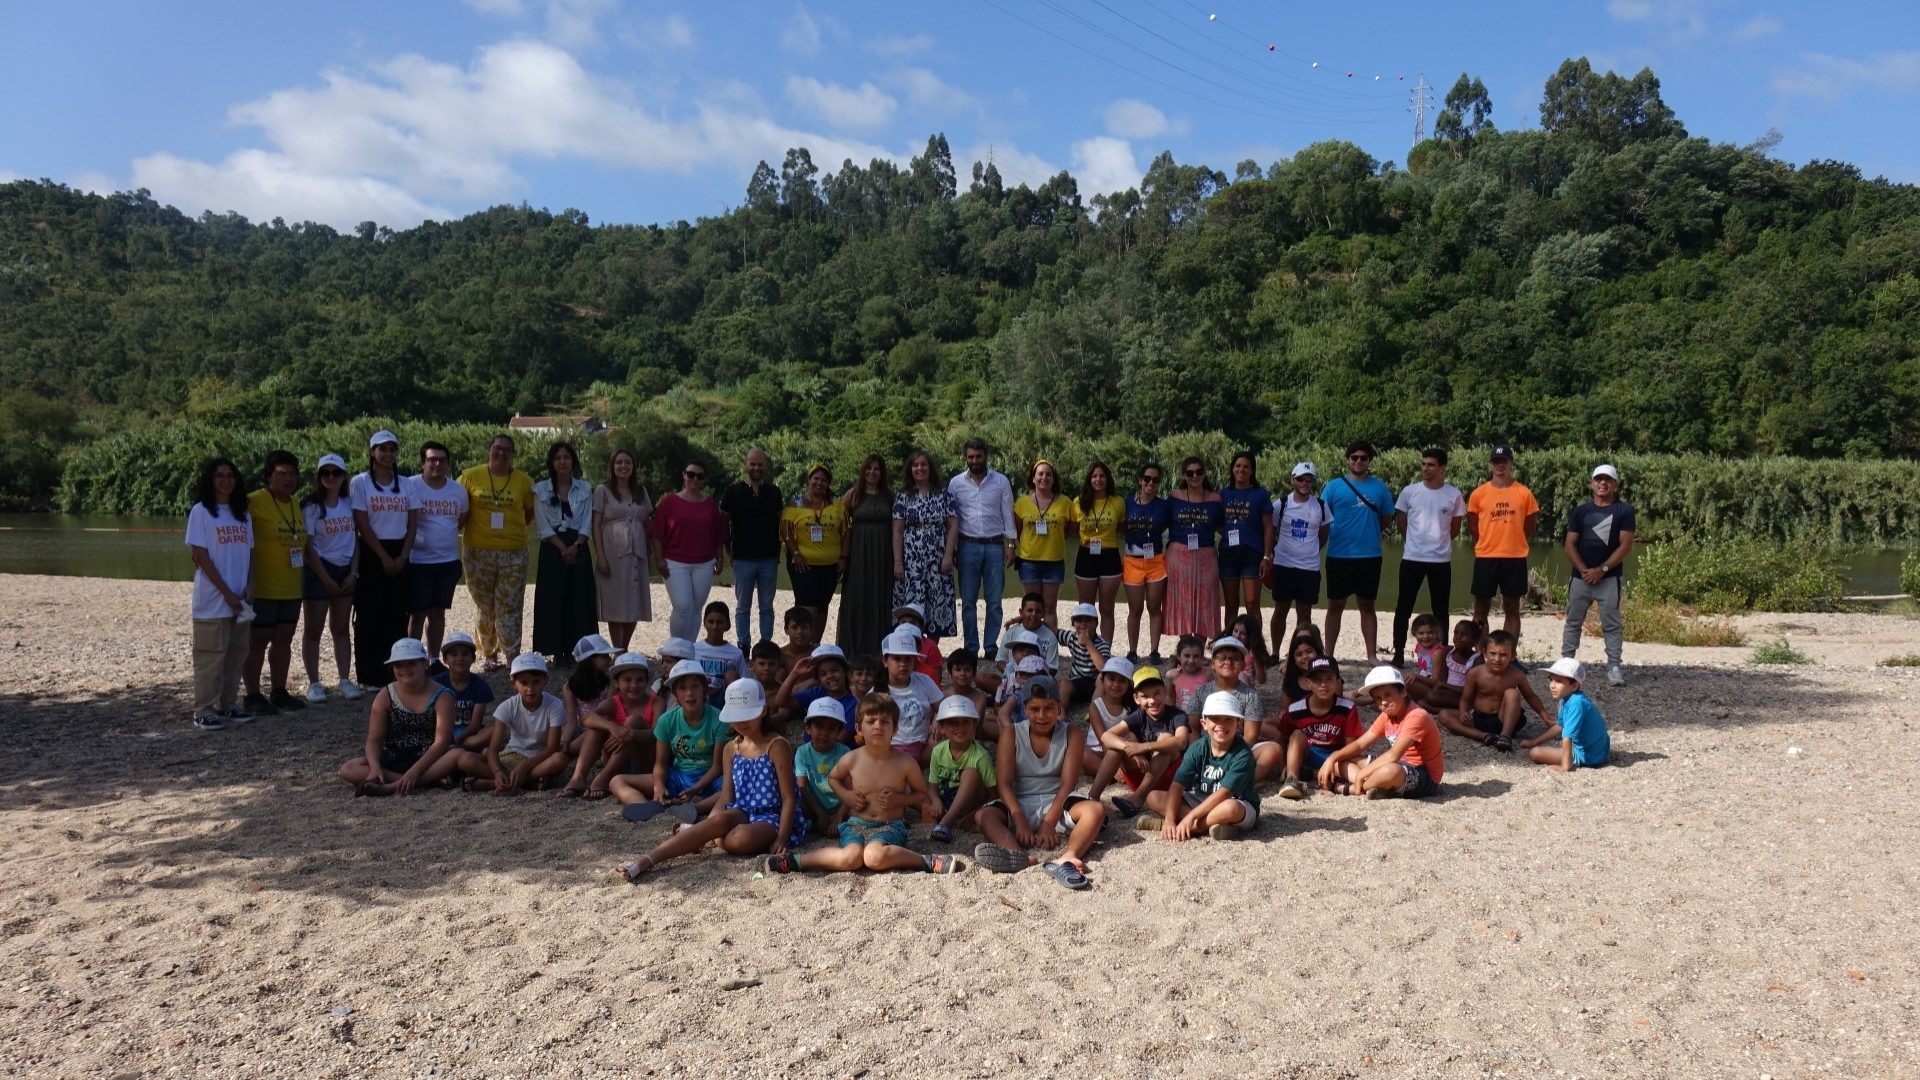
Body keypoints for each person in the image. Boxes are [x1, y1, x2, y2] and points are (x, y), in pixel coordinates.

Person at [616, 679, 802, 881]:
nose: (741, 723)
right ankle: (647, 859)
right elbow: (726, 796)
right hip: (741, 810)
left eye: (748, 715)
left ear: (763, 711)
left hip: (773, 814)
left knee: (738, 839)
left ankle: (705, 837)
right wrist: (714, 821)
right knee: (719, 822)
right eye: (735, 717)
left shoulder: (776, 745)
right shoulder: (732, 747)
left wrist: (782, 837)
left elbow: (789, 798)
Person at [760, 695, 958, 876]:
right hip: (856, 825)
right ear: (858, 729)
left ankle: (926, 861)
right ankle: (796, 861)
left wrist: (900, 799)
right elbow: (833, 778)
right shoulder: (851, 758)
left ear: (895, 729)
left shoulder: (905, 762)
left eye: (885, 722)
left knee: (873, 857)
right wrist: (846, 795)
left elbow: (921, 793)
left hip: (890, 825)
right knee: (851, 857)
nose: (878, 726)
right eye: (871, 721)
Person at [970, 677, 1108, 889]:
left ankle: (1070, 855)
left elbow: (1068, 783)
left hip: (1059, 802)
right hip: (1020, 801)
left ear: (1059, 707)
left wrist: (1048, 822)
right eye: (1034, 709)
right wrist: (1020, 819)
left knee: (1096, 810)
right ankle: (1017, 855)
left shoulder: (1072, 733)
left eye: (1049, 708)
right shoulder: (1011, 733)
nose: (1042, 716)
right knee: (984, 815)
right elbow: (1004, 783)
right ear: (1025, 709)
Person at [338, 638, 460, 796]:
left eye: (411, 663)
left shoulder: (442, 695)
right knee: (348, 768)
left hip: (431, 758)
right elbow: (374, 739)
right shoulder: (386, 695)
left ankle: (394, 786)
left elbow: (441, 742)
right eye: (399, 665)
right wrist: (375, 768)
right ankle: (413, 782)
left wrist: (415, 771)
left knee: (458, 756)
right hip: (396, 756)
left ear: (425, 664)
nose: (404, 669)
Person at [1136, 691, 1261, 841]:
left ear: (1238, 724)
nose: (1221, 725)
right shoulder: (1198, 748)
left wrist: (1190, 817)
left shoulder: (1243, 753)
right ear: (1204, 723)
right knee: (1153, 796)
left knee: (1230, 808)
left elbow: (1225, 794)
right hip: (1199, 799)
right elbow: (1177, 785)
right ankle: (1211, 826)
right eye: (1214, 718)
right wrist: (1170, 819)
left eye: (1228, 719)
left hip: (1237, 803)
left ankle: (1190, 828)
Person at [186, 457, 254, 730]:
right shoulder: (201, 512)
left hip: (240, 600)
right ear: (210, 480)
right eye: (219, 476)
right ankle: (203, 710)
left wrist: (250, 586)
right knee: (209, 658)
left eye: (230, 476)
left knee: (235, 656)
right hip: (213, 601)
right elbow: (200, 555)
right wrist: (226, 592)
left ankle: (227, 705)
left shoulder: (243, 514)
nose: (225, 480)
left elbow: (250, 552)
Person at [611, 659, 728, 816]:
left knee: (735, 787)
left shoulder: (719, 719)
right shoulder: (666, 720)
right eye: (682, 688)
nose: (689, 693)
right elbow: (661, 763)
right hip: (678, 776)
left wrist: (697, 788)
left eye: (695, 686)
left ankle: (696, 808)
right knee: (617, 781)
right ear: (675, 694)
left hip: (709, 778)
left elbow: (717, 767)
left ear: (704, 689)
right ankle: (645, 804)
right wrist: (658, 785)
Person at [459, 434, 535, 672]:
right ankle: (489, 653)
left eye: (507, 450)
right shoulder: (470, 476)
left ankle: (512, 654)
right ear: (489, 449)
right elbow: (459, 509)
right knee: (484, 605)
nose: (501, 453)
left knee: (510, 604)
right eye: (497, 448)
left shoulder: (524, 481)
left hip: (514, 551)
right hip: (477, 551)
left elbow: (529, 514)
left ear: (513, 455)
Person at [350, 430, 418, 689]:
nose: (388, 454)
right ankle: (368, 675)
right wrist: (382, 556)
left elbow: (412, 523)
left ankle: (395, 672)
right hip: (371, 551)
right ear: (372, 452)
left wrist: (402, 556)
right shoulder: (360, 483)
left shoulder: (407, 484)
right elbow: (361, 522)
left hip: (400, 551)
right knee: (368, 615)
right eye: (383, 449)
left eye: (392, 449)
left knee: (397, 614)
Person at [244, 450, 308, 716]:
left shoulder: (295, 502)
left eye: (292, 474)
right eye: (282, 474)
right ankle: (252, 694)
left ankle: (279, 691)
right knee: (258, 640)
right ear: (269, 476)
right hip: (264, 587)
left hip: (291, 586)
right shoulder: (253, 501)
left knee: (284, 639)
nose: (288, 479)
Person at [1318, 666, 1444, 798]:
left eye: (1388, 695)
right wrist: (1332, 758)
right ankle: (1376, 786)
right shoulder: (1387, 716)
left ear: (1403, 692)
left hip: (1424, 775)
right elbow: (1360, 744)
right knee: (1340, 762)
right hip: (1398, 764)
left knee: (1390, 771)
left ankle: (1351, 789)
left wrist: (1363, 773)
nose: (1383, 702)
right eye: (1378, 698)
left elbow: (1393, 755)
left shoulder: (1416, 716)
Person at [1321, 441, 1393, 668]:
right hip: (1339, 554)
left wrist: (1371, 533)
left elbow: (1386, 517)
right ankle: (1328, 653)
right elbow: (1322, 516)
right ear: (1347, 459)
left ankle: (1371, 655)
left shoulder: (1379, 487)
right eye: (1354, 457)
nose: (1358, 461)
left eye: (1363, 458)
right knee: (1335, 605)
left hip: (1369, 555)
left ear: (1369, 461)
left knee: (1367, 605)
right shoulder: (1333, 487)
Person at [1562, 464, 1636, 686]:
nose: (1602, 483)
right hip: (1580, 578)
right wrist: (1585, 570)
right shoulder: (1581, 511)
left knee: (1611, 624)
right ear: (1591, 483)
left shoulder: (1624, 511)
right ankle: (1566, 663)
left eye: (1608, 480)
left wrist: (1602, 569)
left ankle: (1614, 666)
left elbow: (1625, 546)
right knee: (1573, 621)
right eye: (1598, 479)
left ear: (1615, 484)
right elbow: (1569, 544)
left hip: (1609, 579)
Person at [1392, 448, 1465, 667]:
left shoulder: (1453, 494)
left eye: (1431, 465)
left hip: (1440, 561)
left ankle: (1440, 654)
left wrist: (1437, 543)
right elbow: (1402, 523)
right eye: (1423, 464)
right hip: (1412, 558)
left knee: (1441, 609)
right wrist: (1413, 543)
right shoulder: (1409, 491)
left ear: (1442, 468)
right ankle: (1398, 652)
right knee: (1403, 607)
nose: (1425, 468)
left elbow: (1455, 528)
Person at [459, 652, 568, 794]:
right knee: (465, 759)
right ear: (513, 684)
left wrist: (525, 766)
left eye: (536, 682)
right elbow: (493, 750)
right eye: (524, 683)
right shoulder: (506, 707)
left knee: (559, 759)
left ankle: (493, 784)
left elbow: (552, 747)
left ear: (545, 680)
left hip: (539, 759)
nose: (530, 688)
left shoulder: (554, 705)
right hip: (511, 755)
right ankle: (521, 782)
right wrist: (498, 772)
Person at [1178, 636, 1283, 782]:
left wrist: (1230, 756)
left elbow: (1250, 737)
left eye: (1234, 659)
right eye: (1222, 658)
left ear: (1242, 665)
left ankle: (1240, 784)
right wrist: (1200, 753)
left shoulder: (1251, 696)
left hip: (1238, 750)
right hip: (1206, 747)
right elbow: (1193, 728)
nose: (1228, 662)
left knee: (1273, 750)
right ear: (1213, 663)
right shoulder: (1200, 692)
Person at [1088, 664, 1189, 814]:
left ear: (1165, 691)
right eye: (1145, 696)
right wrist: (1129, 748)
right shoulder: (1138, 716)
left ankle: (1138, 798)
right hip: (1139, 776)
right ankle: (1092, 797)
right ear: (1136, 698)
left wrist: (1144, 747)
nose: (1152, 700)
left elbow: (1181, 741)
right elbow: (1106, 736)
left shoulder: (1177, 715)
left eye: (1156, 694)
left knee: (1166, 739)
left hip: (1166, 781)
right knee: (1123, 740)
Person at [301, 453, 361, 703]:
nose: (331, 477)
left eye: (336, 473)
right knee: (313, 630)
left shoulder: (349, 503)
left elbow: (356, 539)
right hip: (319, 569)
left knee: (341, 628)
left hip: (346, 567)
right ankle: (314, 683)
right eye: (326, 473)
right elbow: (308, 546)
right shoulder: (311, 506)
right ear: (319, 476)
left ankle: (344, 679)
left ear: (343, 476)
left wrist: (354, 572)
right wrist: (324, 577)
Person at [948, 438, 1016, 656]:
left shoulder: (1001, 481)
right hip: (967, 545)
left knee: (994, 601)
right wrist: (952, 549)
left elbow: (1008, 514)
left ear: (986, 456)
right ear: (965, 458)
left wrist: (1011, 544)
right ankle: (971, 646)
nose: (974, 461)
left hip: (995, 546)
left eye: (978, 456)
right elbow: (951, 519)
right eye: (970, 457)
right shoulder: (956, 483)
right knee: (968, 601)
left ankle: (990, 646)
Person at [1465, 445, 1540, 643]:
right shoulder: (1479, 494)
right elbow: (1472, 522)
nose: (1500, 465)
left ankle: (1510, 654)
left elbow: (1530, 524)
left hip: (1514, 556)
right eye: (1496, 461)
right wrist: (1484, 540)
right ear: (1491, 464)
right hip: (1486, 556)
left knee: (1512, 607)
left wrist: (1516, 539)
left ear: (1510, 463)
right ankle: (1481, 652)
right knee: (1481, 607)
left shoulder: (1524, 493)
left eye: (1504, 461)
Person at [530, 442, 597, 660]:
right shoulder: (540, 489)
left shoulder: (585, 488)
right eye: (558, 458)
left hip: (578, 544)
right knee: (552, 599)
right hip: (552, 546)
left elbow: (588, 521)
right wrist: (561, 547)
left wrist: (576, 545)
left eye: (566, 457)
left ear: (573, 461)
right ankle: (555, 649)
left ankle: (579, 650)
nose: (562, 462)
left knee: (580, 599)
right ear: (552, 462)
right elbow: (542, 524)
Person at [650, 458, 728, 642]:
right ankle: (675, 648)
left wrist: (720, 559)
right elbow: (657, 534)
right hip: (675, 562)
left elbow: (717, 535)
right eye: (690, 474)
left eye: (699, 476)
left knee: (695, 608)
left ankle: (689, 649)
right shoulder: (669, 502)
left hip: (704, 563)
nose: (694, 479)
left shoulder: (710, 504)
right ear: (683, 476)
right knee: (683, 606)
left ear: (704, 480)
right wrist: (659, 559)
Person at [1436, 629, 1547, 752]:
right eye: (1493, 653)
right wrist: (1463, 711)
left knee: (1512, 693)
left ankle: (1505, 735)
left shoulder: (1517, 675)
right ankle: (1483, 736)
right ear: (1484, 653)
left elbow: (1531, 697)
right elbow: (1466, 698)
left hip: (1504, 719)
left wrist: (1546, 717)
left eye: (1503, 655)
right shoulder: (1475, 673)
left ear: (1513, 656)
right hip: (1479, 719)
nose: (1497, 659)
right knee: (1444, 715)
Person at [405, 441, 468, 656]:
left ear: (448, 464)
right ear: (422, 463)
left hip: (448, 560)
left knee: (438, 612)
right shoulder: (409, 485)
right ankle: (412, 655)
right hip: (418, 561)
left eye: (442, 460)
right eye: (432, 460)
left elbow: (461, 520)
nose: (437, 464)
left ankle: (432, 659)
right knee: (417, 613)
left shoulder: (458, 490)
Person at [719, 447, 783, 650]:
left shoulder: (774, 492)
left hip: (769, 558)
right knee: (742, 606)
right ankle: (744, 645)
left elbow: (782, 524)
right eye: (752, 463)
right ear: (745, 464)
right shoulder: (732, 492)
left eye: (760, 464)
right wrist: (727, 552)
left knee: (767, 606)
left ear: (765, 466)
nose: (756, 467)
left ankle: (765, 645)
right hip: (742, 558)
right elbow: (723, 525)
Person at [891, 449, 958, 641]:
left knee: (936, 599)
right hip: (911, 559)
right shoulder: (903, 496)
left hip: (937, 558)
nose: (919, 468)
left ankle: (932, 648)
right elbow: (897, 530)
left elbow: (953, 525)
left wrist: (948, 554)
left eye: (923, 464)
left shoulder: (944, 494)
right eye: (915, 465)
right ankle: (912, 643)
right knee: (913, 602)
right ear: (910, 469)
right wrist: (898, 562)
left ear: (930, 468)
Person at [1276, 657, 1365, 799]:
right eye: (1317, 679)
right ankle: (1292, 780)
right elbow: (1283, 740)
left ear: (1337, 682)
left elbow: (1351, 746)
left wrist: (1333, 761)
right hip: (1307, 755)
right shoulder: (1295, 710)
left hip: (1337, 758)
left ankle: (1318, 776)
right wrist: (1284, 765)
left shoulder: (1347, 708)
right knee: (1297, 735)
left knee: (1364, 767)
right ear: (1308, 683)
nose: (1323, 684)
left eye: (1329, 679)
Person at [592, 448, 653, 651]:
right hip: (612, 552)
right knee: (616, 601)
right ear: (612, 466)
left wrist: (651, 553)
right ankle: (616, 648)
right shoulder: (603, 490)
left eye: (627, 462)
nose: (623, 466)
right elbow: (595, 525)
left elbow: (647, 523)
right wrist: (600, 556)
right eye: (619, 462)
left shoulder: (640, 491)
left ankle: (624, 648)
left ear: (633, 466)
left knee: (634, 600)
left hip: (637, 552)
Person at [1267, 462, 1329, 664]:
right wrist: (1269, 556)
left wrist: (1309, 551)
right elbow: (1270, 530)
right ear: (1292, 480)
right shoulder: (1281, 504)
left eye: (1309, 479)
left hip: (1309, 567)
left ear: (1313, 481)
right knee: (1280, 609)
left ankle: (1301, 653)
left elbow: (1323, 533)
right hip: (1284, 565)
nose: (1304, 483)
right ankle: (1275, 652)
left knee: (1305, 613)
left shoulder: (1320, 505)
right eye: (1300, 479)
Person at [837, 454, 895, 654]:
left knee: (881, 596)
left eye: (877, 469)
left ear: (882, 472)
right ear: (863, 471)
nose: (872, 472)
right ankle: (853, 649)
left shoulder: (890, 496)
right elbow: (840, 526)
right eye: (868, 468)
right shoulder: (852, 495)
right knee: (857, 597)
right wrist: (842, 556)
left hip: (883, 555)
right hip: (858, 554)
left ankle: (879, 648)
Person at [1165, 456, 1224, 643]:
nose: (1195, 476)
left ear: (1204, 473)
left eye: (1198, 472)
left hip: (1206, 554)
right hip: (1178, 554)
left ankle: (1199, 646)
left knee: (1205, 602)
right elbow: (1162, 521)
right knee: (1182, 601)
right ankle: (1185, 647)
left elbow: (1222, 526)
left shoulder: (1215, 498)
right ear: (1184, 475)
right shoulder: (1174, 497)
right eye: (1190, 473)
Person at [781, 464, 847, 630]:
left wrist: (844, 558)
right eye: (815, 478)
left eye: (824, 480)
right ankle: (802, 643)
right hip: (803, 564)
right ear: (809, 480)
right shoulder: (795, 503)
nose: (819, 483)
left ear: (828, 483)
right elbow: (785, 530)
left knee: (822, 608)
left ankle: (815, 647)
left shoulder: (838, 506)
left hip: (831, 566)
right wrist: (794, 552)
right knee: (807, 606)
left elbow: (846, 533)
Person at [1012, 459, 1076, 630]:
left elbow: (1071, 529)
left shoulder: (1066, 503)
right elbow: (1018, 531)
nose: (1044, 477)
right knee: (1031, 607)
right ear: (1033, 478)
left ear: (1053, 479)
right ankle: (1030, 644)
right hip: (1029, 561)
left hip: (1054, 561)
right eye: (1040, 474)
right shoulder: (1021, 504)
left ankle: (1049, 645)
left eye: (1048, 474)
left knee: (1049, 607)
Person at [1121, 463, 1173, 664]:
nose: (1151, 483)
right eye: (1147, 479)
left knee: (1154, 606)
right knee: (1135, 609)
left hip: (1155, 561)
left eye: (1156, 480)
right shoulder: (1127, 502)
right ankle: (1132, 650)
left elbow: (1174, 527)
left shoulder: (1163, 505)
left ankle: (1154, 651)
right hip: (1132, 560)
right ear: (1140, 481)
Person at [926, 695, 995, 843]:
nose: (960, 728)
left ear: (974, 725)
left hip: (970, 806)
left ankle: (945, 823)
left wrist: (973, 814)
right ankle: (944, 820)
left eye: (965, 722)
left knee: (970, 773)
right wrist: (936, 801)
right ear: (942, 727)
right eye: (952, 723)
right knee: (924, 805)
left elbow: (993, 795)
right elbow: (932, 787)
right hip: (945, 803)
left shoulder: (980, 756)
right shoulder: (938, 751)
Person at [1520, 658, 1612, 770]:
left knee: (1535, 753)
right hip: (1600, 750)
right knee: (1538, 747)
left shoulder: (1576, 704)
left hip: (1590, 756)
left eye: (1558, 681)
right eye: (1551, 680)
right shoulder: (1567, 699)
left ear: (1574, 686)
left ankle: (1568, 762)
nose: (1552, 685)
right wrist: (1534, 742)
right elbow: (1560, 725)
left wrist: (1565, 766)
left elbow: (1567, 736)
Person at [1218, 451, 1275, 632]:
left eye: (1245, 466)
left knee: (1252, 603)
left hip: (1252, 553)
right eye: (1238, 466)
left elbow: (1268, 527)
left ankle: (1256, 646)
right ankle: (1228, 643)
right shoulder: (1223, 494)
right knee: (1231, 604)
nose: (1241, 469)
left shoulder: (1260, 494)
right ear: (1232, 469)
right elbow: (1218, 523)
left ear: (1252, 471)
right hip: (1228, 553)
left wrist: (1267, 556)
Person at [1072, 460, 1126, 642]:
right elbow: (1073, 528)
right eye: (1094, 476)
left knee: (1107, 608)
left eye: (1102, 476)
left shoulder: (1117, 502)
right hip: (1086, 555)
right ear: (1089, 479)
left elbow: (1120, 527)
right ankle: (1083, 645)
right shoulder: (1078, 502)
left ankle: (1106, 648)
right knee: (1085, 608)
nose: (1098, 479)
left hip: (1109, 555)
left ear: (1107, 479)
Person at [879, 629, 943, 763]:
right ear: (885, 661)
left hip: (925, 742)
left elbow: (943, 705)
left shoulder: (924, 680)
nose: (903, 664)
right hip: (894, 746)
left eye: (908, 659)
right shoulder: (878, 691)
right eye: (897, 659)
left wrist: (937, 719)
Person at [774, 644, 859, 745]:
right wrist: (795, 673)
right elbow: (780, 700)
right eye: (823, 674)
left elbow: (838, 741)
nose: (830, 676)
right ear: (818, 679)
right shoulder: (816, 693)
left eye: (834, 670)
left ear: (845, 672)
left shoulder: (853, 705)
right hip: (810, 754)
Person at [794, 697, 851, 834]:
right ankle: (819, 824)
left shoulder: (845, 753)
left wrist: (839, 815)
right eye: (819, 726)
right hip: (814, 806)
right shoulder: (802, 752)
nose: (824, 733)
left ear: (839, 732)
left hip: (842, 805)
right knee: (794, 803)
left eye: (831, 728)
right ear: (808, 728)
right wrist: (819, 813)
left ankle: (836, 823)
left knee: (859, 807)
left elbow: (851, 788)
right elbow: (802, 787)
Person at [434, 632, 496, 751]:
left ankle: (455, 748)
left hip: (469, 736)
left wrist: (457, 739)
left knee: (496, 729)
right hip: (442, 734)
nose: (460, 658)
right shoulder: (436, 683)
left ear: (473, 658)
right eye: (454, 654)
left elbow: (475, 725)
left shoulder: (480, 685)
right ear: (445, 659)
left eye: (465, 654)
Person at [1054, 601, 1112, 711]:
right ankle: (1060, 714)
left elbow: (1103, 667)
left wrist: (1088, 643)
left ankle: (1093, 711)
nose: (1083, 624)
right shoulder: (1071, 637)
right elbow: (1052, 631)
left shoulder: (1102, 643)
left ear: (1096, 624)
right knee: (1063, 684)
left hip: (1095, 685)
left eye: (1088, 620)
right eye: (1079, 620)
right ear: (1073, 623)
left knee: (1102, 678)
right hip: (1076, 682)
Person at [1401, 614, 1450, 706]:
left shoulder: (1437, 652)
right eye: (1421, 633)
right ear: (1414, 633)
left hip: (1436, 690)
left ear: (1437, 633)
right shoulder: (1419, 647)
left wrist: (1417, 677)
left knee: (1406, 685)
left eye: (1430, 632)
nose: (1426, 636)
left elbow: (1436, 681)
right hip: (1426, 684)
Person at [695, 600, 744, 690]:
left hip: (725, 699)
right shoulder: (694, 649)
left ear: (727, 624)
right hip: (699, 697)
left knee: (731, 675)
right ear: (704, 623)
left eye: (720, 622)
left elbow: (744, 682)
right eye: (710, 621)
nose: (715, 626)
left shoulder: (736, 653)